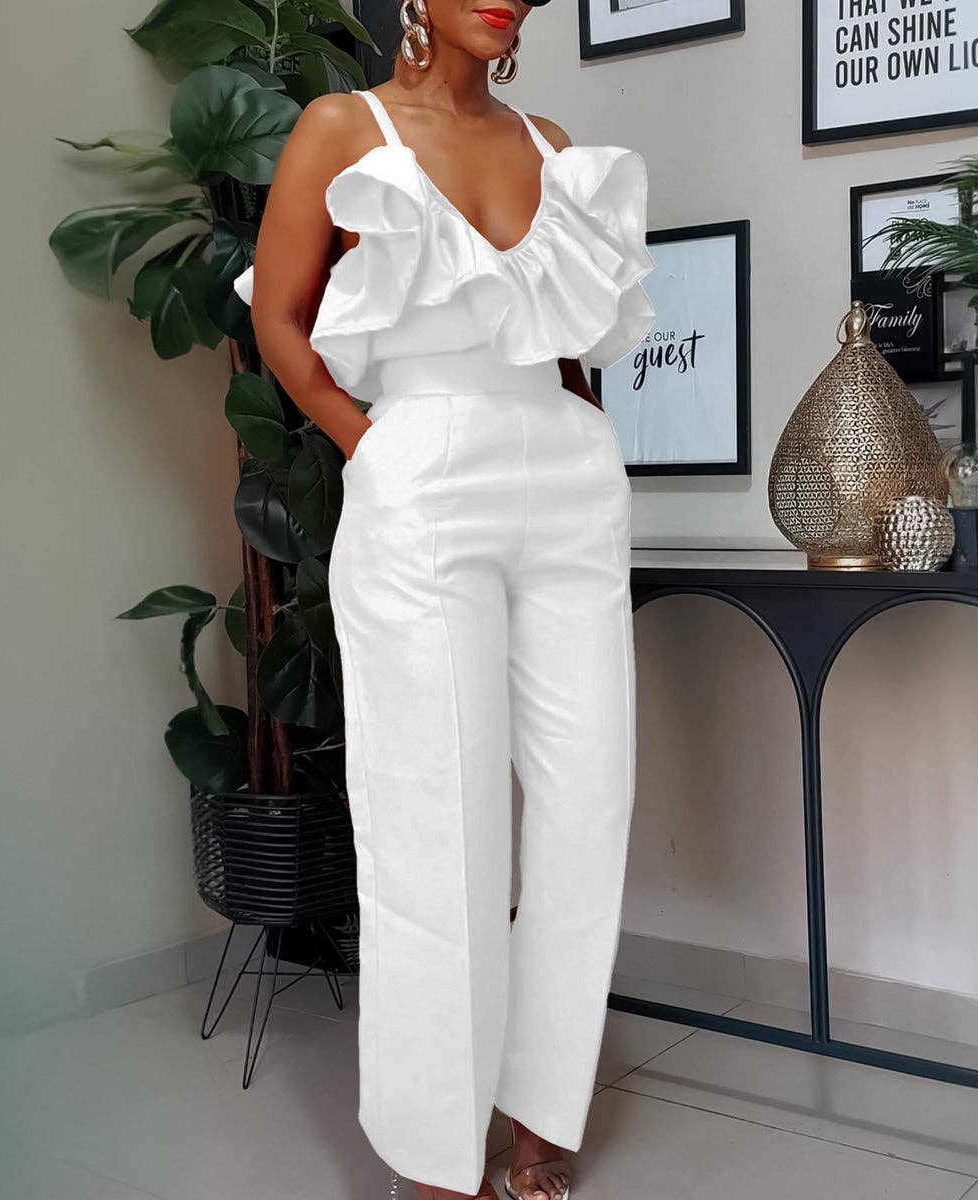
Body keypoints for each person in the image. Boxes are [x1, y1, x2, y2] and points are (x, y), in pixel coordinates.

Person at [233, 2, 656, 1197]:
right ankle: (433, 1144)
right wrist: (370, 447)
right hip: (421, 481)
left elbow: (566, 339)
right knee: (438, 812)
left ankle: (541, 1106)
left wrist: (581, 447)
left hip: (565, 482)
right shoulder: (341, 127)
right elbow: (278, 314)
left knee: (587, 800)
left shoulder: (549, 138)